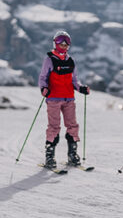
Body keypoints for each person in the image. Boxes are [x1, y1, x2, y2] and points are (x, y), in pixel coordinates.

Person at [38, 30, 90, 169]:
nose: (64, 44)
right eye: (61, 41)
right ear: (55, 43)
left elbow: (74, 80)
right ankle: (50, 156)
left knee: (72, 125)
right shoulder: (49, 59)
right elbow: (43, 77)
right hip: (53, 98)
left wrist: (81, 88)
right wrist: (43, 88)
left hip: (69, 99)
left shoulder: (70, 61)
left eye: (67, 42)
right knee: (54, 127)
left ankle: (72, 154)